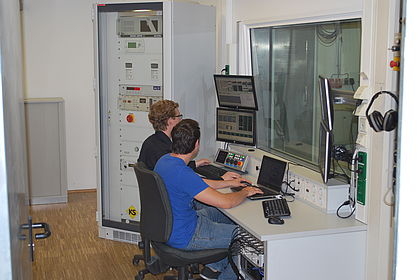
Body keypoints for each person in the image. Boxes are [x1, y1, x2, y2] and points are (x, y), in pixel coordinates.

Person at [154, 119, 263, 280]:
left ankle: (212, 270)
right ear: (197, 144)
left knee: (224, 216)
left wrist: (228, 183)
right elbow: (226, 202)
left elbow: (196, 183)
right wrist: (245, 192)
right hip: (188, 234)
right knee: (246, 242)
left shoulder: (165, 161)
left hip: (171, 227)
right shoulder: (182, 173)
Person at [138, 99, 241, 181]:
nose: (181, 120)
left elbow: (175, 170)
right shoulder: (165, 153)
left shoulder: (151, 143)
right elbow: (189, 180)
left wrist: (195, 164)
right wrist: (221, 179)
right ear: (170, 121)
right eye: (179, 116)